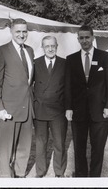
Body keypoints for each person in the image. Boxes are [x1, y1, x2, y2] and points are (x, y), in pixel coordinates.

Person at [65, 25, 108, 177]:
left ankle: (95, 178)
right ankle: (81, 178)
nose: (85, 40)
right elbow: (67, 86)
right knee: (79, 149)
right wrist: (68, 107)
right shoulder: (71, 59)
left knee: (98, 148)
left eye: (87, 37)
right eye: (81, 37)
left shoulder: (105, 57)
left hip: (100, 111)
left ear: (93, 38)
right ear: (78, 39)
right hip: (78, 112)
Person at [0, 18, 34, 178]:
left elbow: (29, 81)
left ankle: (20, 175)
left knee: (24, 147)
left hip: (27, 108)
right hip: (9, 110)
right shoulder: (1, 51)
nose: (21, 35)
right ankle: (6, 179)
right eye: (18, 31)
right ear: (11, 31)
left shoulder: (29, 51)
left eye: (24, 31)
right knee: (6, 149)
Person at [33, 36, 67, 178]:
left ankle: (59, 172)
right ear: (42, 47)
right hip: (40, 110)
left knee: (59, 143)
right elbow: (28, 86)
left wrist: (69, 108)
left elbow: (69, 88)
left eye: (53, 46)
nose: (50, 49)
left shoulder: (65, 64)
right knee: (41, 144)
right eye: (47, 46)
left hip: (58, 111)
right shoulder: (35, 63)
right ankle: (40, 172)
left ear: (57, 46)